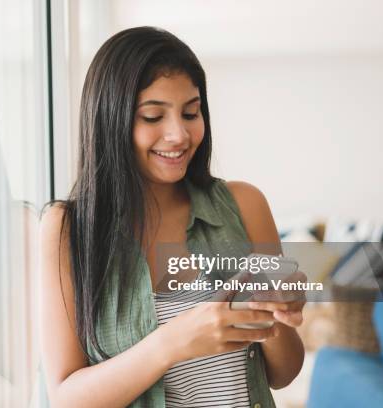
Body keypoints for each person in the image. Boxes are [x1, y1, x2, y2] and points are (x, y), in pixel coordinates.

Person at [39, 26, 306, 408]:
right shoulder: (67, 230)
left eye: (191, 112)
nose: (179, 134)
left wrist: (272, 312)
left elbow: (284, 374)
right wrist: (171, 343)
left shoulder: (245, 205)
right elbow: (65, 398)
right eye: (152, 116)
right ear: (109, 120)